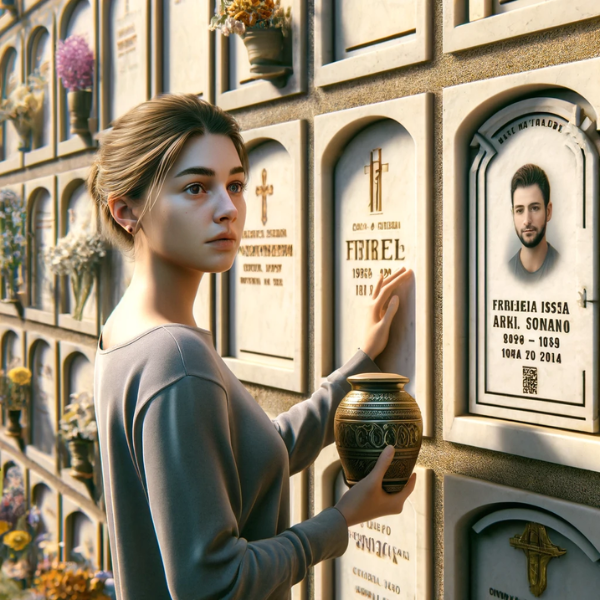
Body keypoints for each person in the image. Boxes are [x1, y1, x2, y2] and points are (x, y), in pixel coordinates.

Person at [89, 94, 416, 600]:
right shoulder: (175, 359)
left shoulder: (124, 331)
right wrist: (344, 517)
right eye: (196, 188)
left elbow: (249, 457)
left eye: (235, 185)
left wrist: (361, 365)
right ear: (126, 211)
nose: (228, 209)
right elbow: (214, 583)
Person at [508, 163, 559, 283]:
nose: (527, 221)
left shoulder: (566, 268)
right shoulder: (503, 274)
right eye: (519, 210)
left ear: (548, 211)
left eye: (534, 208)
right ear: (513, 214)